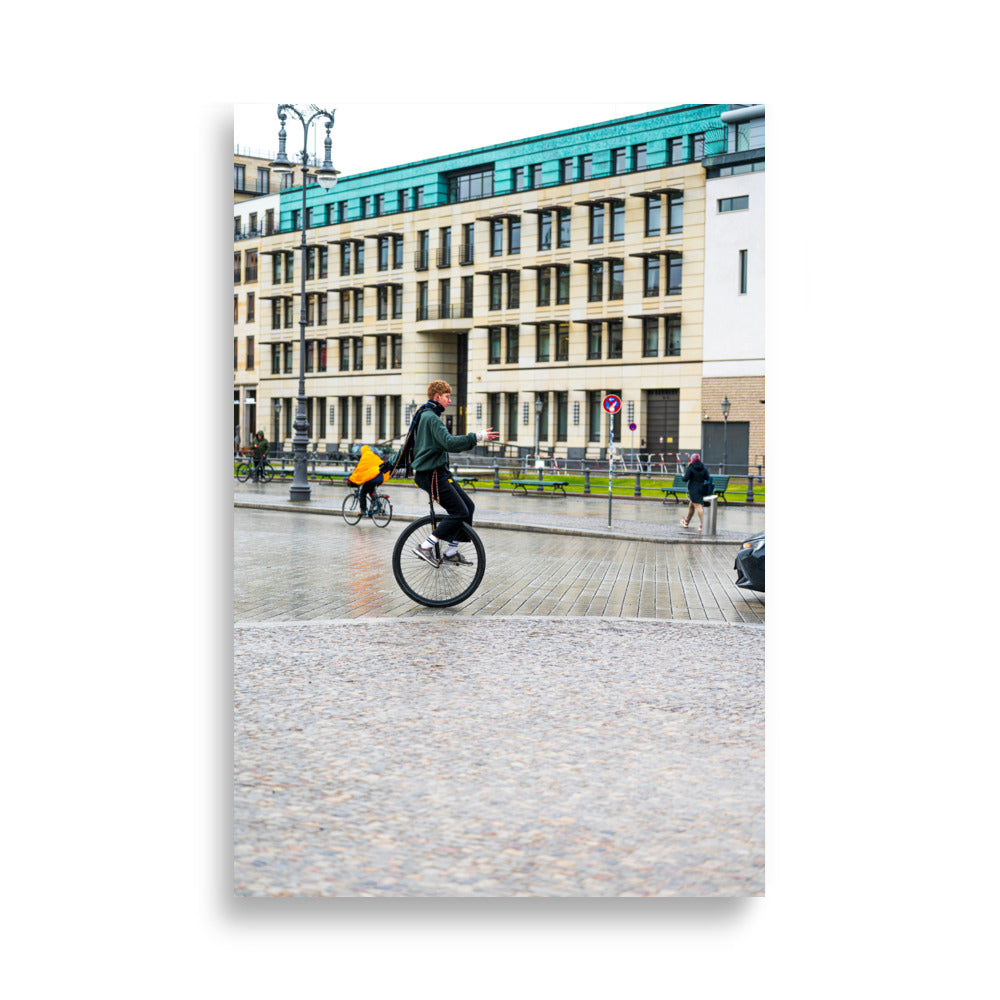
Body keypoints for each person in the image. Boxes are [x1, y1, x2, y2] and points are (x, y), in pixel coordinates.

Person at [393, 380, 497, 566]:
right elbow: (449, 443)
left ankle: (451, 552)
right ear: (437, 397)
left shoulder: (426, 415)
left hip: (438, 473)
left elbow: (411, 445)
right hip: (431, 474)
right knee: (459, 511)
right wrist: (477, 437)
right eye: (447, 397)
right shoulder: (431, 418)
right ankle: (425, 546)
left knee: (468, 508)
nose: (450, 400)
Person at [347, 444, 392, 516]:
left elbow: (359, 470)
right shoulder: (374, 455)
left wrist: (352, 478)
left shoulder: (365, 457)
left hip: (373, 478)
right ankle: (376, 507)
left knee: (363, 493)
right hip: (380, 477)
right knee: (371, 491)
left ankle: (363, 510)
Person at [681, 452, 712, 531]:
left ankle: (704, 525)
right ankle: (686, 522)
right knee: (691, 506)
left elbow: (685, 479)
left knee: (698, 506)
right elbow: (708, 477)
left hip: (693, 489)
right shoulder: (703, 467)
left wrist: (682, 476)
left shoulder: (691, 467)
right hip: (701, 488)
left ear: (692, 459)